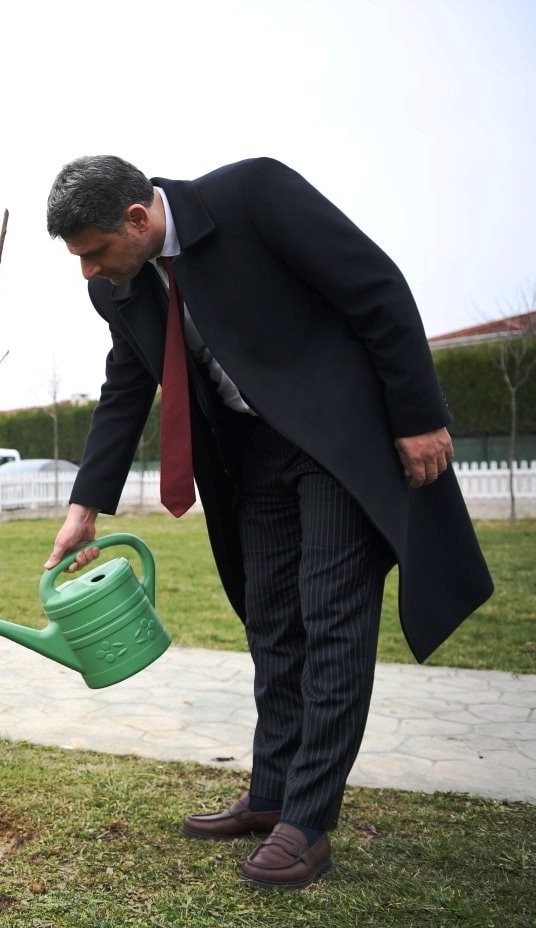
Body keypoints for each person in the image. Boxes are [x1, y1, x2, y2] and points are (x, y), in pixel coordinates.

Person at [43, 156, 492, 890]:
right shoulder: (118, 289)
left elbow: (376, 287)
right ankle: (274, 790)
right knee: (272, 621)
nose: (89, 271)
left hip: (335, 441)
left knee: (330, 616)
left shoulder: (254, 195)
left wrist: (418, 416)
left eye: (95, 252)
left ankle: (307, 823)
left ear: (137, 218)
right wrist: (83, 508)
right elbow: (126, 385)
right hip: (251, 459)